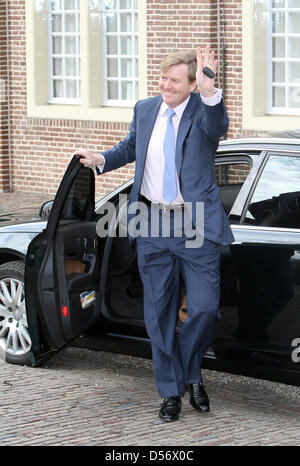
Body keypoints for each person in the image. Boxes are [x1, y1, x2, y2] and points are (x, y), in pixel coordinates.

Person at [77, 45, 234, 422]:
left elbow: (219, 126)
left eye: (174, 80)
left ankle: (191, 371)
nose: (165, 84)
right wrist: (102, 160)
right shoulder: (145, 109)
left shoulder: (203, 111)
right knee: (158, 314)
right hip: (151, 222)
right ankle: (170, 390)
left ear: (193, 84)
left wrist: (211, 91)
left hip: (194, 222)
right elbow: (133, 147)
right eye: (163, 78)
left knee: (205, 309)